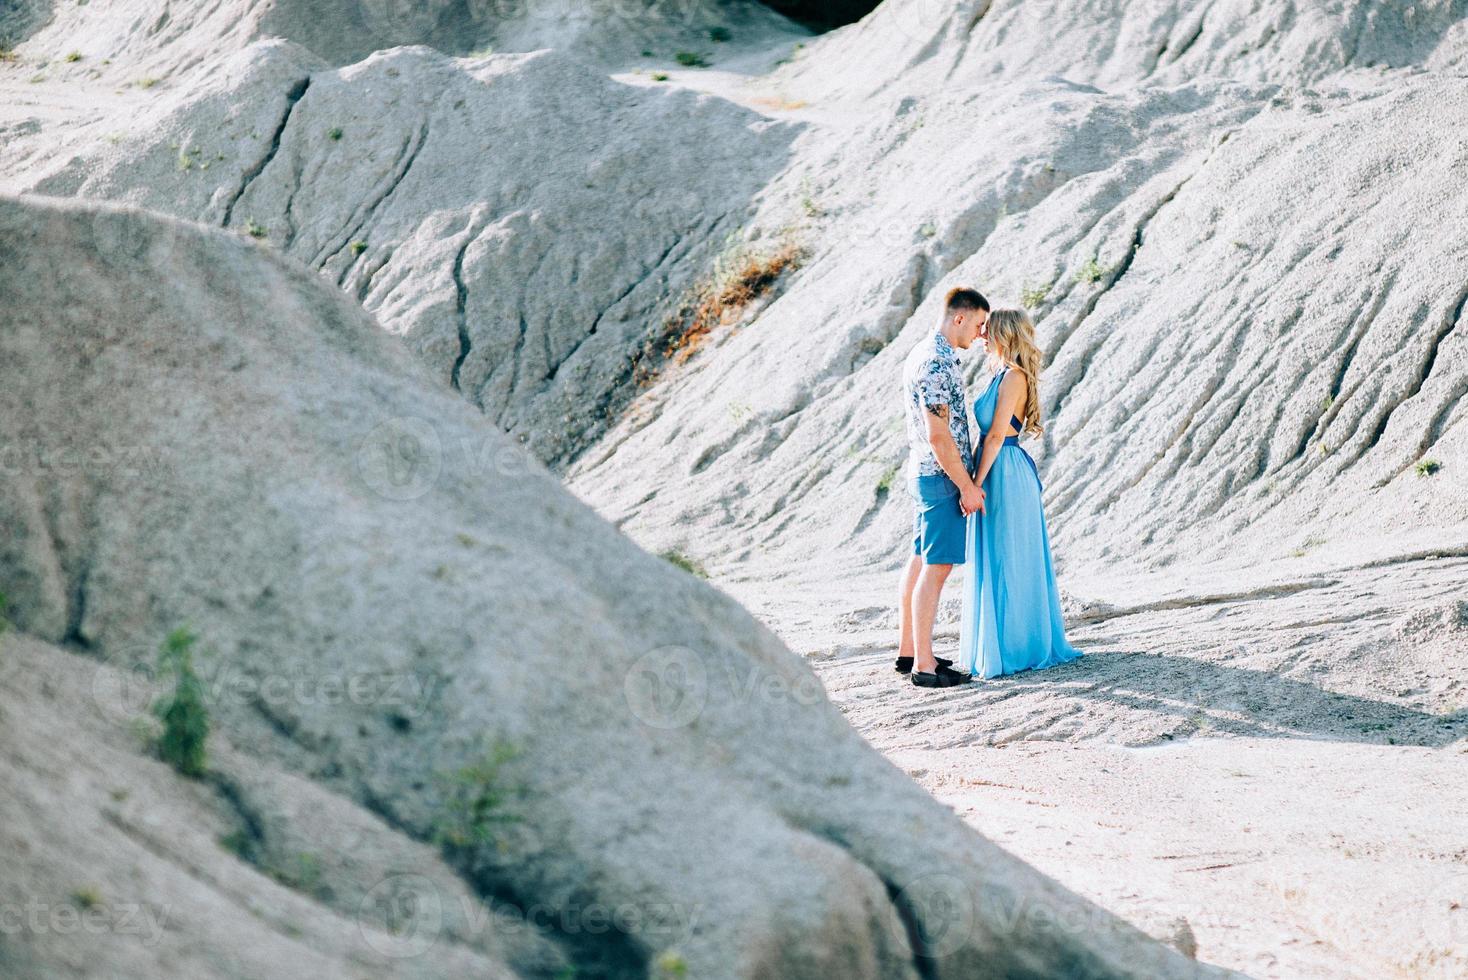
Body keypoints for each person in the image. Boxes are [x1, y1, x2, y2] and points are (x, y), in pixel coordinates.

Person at [958, 308, 1083, 679]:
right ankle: (1003, 643)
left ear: (1003, 335)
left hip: (1004, 472)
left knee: (1009, 556)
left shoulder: (1014, 378)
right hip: (995, 467)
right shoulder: (1000, 375)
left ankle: (1017, 646)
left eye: (987, 332)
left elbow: (996, 435)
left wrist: (975, 483)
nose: (981, 338)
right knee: (998, 554)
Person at [896, 286, 989, 688]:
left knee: (920, 560)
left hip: (925, 473)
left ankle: (910, 652)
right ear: (959, 318)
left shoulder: (922, 352)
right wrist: (967, 487)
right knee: (938, 567)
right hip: (940, 476)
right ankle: (925, 668)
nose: (982, 334)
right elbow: (939, 435)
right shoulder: (936, 363)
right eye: (980, 324)